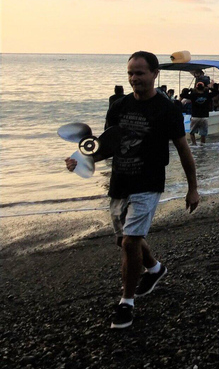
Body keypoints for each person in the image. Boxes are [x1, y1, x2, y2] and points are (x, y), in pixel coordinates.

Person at [65, 51, 199, 329]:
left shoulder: (167, 110)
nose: (134, 78)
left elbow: (183, 149)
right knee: (124, 240)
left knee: (129, 241)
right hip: (120, 183)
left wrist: (192, 189)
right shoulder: (118, 106)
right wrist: (79, 159)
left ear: (154, 74)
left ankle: (126, 303)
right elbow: (107, 145)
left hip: (148, 182)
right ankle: (155, 268)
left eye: (140, 73)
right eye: (130, 73)